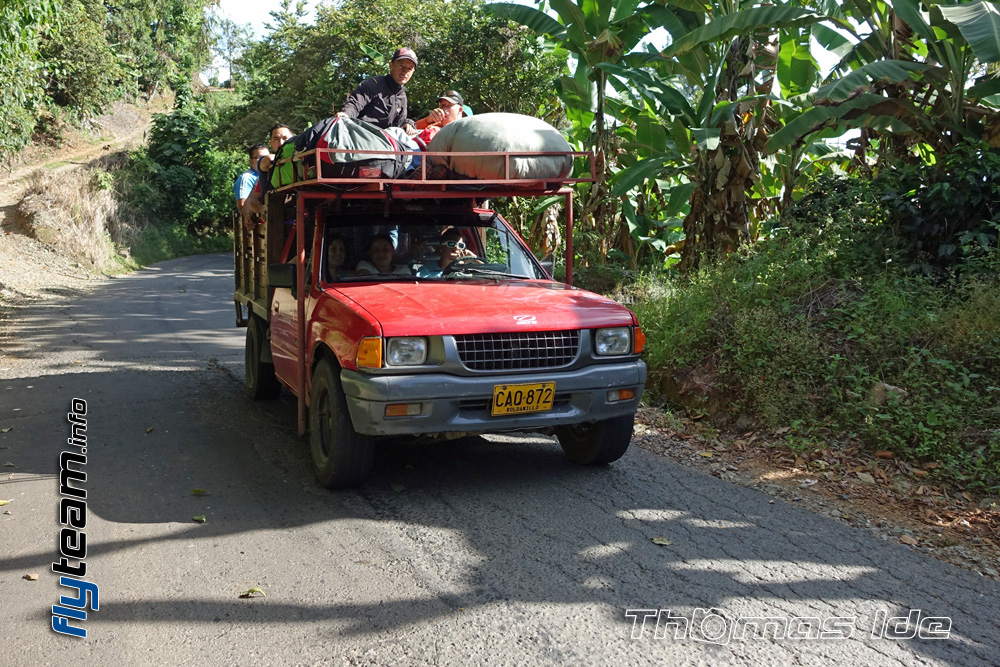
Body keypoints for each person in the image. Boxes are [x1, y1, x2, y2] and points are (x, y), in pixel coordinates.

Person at [336, 48, 420, 133]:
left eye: (409, 68)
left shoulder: (402, 96)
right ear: (391, 65)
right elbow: (355, 104)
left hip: (387, 140)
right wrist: (346, 114)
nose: (405, 71)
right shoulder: (374, 84)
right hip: (363, 134)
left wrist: (408, 123)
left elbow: (400, 122)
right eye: (401, 66)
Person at [234, 143, 269, 213]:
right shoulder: (247, 178)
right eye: (260, 158)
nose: (264, 160)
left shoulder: (270, 174)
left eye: (266, 157)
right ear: (251, 161)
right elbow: (242, 204)